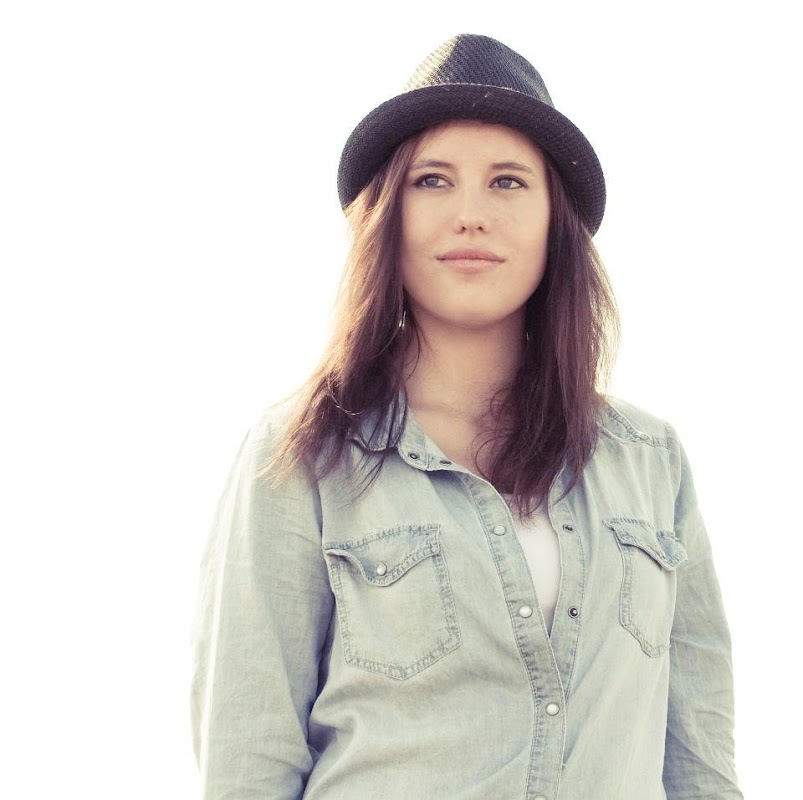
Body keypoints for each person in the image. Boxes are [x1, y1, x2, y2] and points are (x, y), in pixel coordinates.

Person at [190, 34, 742, 799]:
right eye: (432, 181)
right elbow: (247, 760)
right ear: (387, 215)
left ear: (554, 219)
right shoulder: (301, 452)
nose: (470, 216)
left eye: (507, 181)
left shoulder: (649, 459)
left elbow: (699, 758)